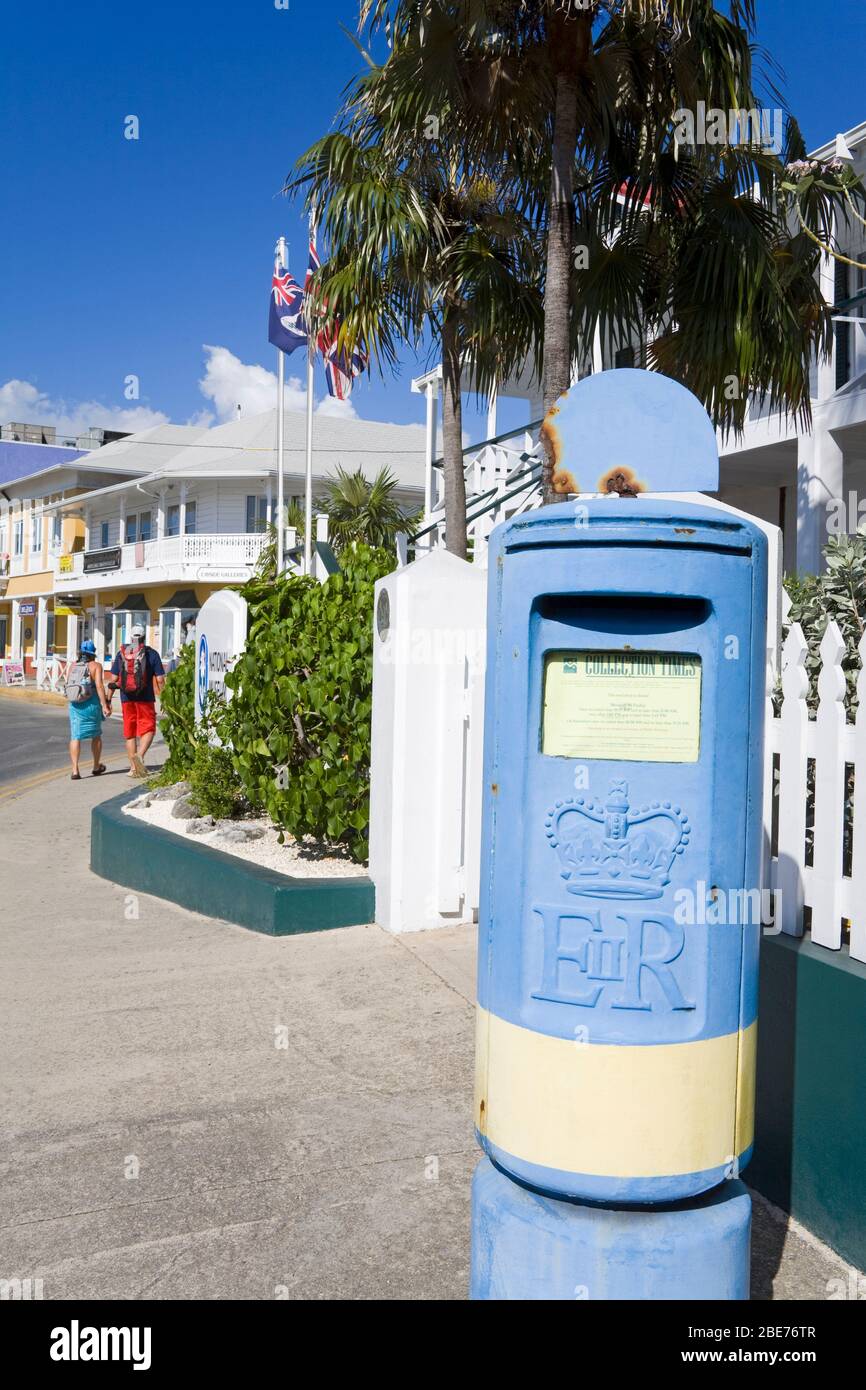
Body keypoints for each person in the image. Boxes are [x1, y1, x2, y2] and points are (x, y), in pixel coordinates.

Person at [108, 623, 165, 778]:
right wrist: (164, 697)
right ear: (144, 637)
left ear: (131, 637)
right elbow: (160, 679)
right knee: (149, 729)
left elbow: (113, 678)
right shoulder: (151, 654)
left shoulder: (122, 654)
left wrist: (108, 699)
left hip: (126, 698)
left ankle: (133, 769)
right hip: (145, 698)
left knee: (130, 733)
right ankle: (139, 755)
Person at [66, 639, 111, 780]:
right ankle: (96, 766)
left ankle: (75, 770)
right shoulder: (96, 666)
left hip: (75, 704)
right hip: (91, 704)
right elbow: (99, 686)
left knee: (75, 736)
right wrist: (105, 705)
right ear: (93, 653)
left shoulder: (72, 665)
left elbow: (69, 685)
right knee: (96, 735)